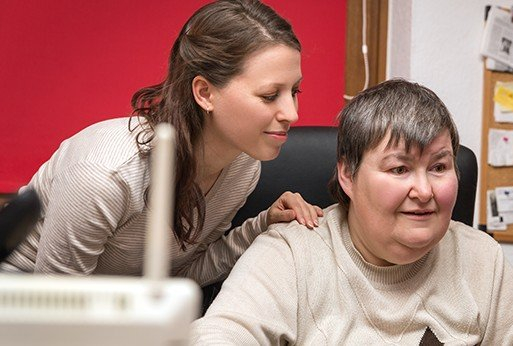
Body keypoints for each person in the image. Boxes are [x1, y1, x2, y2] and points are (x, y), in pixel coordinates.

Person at [190, 79, 513, 344]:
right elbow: (219, 336)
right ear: (348, 175)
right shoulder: (290, 253)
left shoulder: (483, 259)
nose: (424, 191)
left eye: (439, 168)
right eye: (399, 169)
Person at [0, 0, 322, 288]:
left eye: (294, 92)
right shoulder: (104, 176)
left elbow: (173, 282)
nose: (292, 113)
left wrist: (262, 225)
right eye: (269, 95)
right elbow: (55, 310)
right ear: (205, 93)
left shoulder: (242, 166)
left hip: (120, 314)